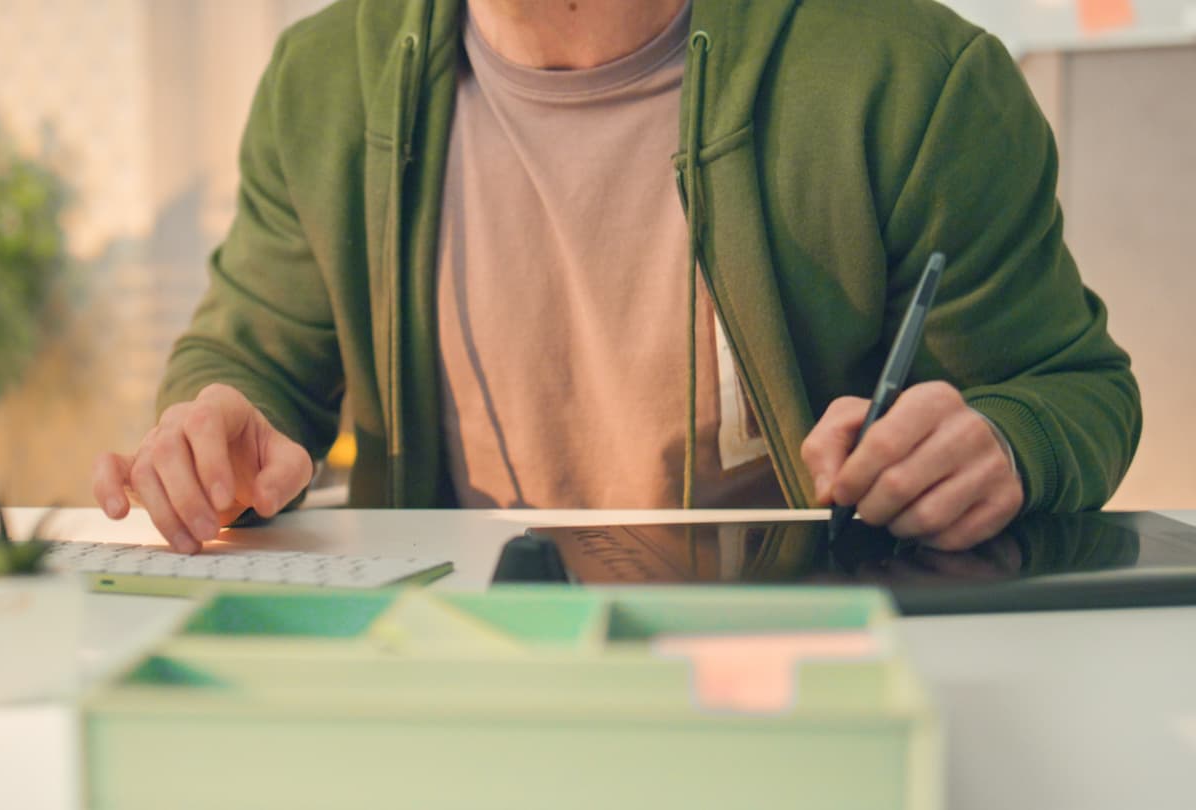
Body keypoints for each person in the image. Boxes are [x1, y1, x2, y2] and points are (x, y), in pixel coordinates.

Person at [92, 0, 1141, 556]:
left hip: (791, 672)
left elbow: (1071, 388)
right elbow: (251, 352)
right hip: (459, 660)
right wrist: (222, 416)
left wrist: (1008, 442)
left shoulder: (912, 73)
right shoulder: (320, 80)